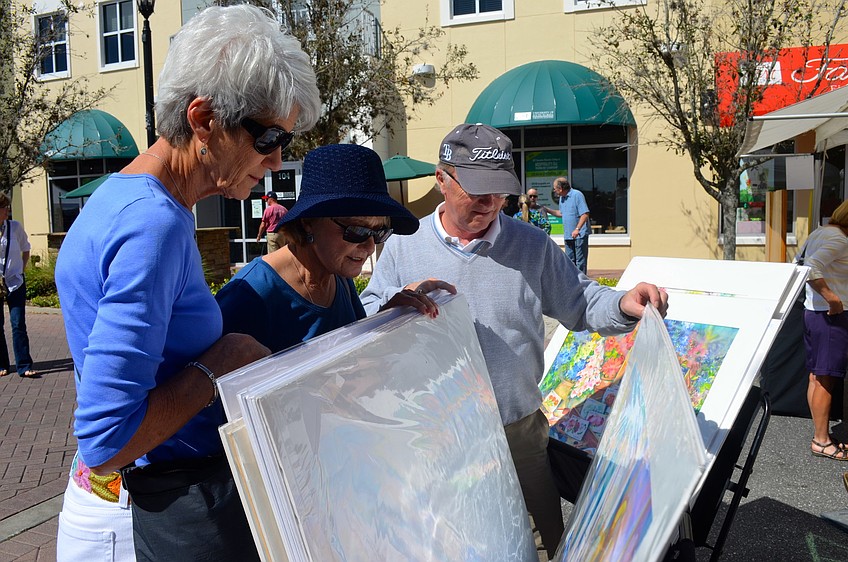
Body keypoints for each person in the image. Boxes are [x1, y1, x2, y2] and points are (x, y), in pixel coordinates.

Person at [53, 5, 321, 561]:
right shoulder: (154, 224)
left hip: (138, 504)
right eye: (269, 137)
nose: (275, 161)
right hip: (148, 513)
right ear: (203, 120)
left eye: (284, 143)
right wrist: (218, 365)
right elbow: (106, 443)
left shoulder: (122, 198)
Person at [360, 123, 668, 559]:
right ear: (442, 179)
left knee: (540, 544)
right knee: (447, 543)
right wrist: (393, 307)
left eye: (500, 191)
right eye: (478, 189)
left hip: (516, 431)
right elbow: (367, 318)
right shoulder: (402, 246)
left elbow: (580, 300)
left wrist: (623, 303)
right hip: (433, 435)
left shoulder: (532, 245)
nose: (490, 203)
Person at [217, 143, 453, 353]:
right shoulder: (250, 296)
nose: (370, 246)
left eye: (379, 232)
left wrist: (391, 314)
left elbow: (353, 356)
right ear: (308, 222)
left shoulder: (336, 274)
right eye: (357, 230)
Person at [801, 198, 848, 461]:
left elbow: (801, 262)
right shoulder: (839, 239)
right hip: (830, 316)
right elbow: (811, 266)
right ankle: (821, 440)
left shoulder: (820, 232)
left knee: (817, 377)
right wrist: (832, 297)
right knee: (826, 378)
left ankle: (821, 435)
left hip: (814, 313)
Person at [0, 193, 35, 378]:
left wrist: (20, 269)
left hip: (15, 282)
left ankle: (24, 365)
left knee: (18, 323)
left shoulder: (14, 228)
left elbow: (26, 249)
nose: (8, 210)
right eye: (4, 207)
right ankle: (1, 364)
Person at [546, 176, 590, 273]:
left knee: (580, 262)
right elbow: (561, 213)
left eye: (555, 188)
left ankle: (582, 285)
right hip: (568, 235)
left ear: (560, 188)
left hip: (579, 235)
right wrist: (547, 209)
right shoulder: (562, 198)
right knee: (569, 261)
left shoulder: (577, 195)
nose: (554, 191)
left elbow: (585, 214)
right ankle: (572, 284)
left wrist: (577, 229)